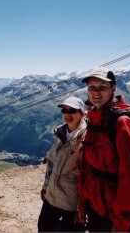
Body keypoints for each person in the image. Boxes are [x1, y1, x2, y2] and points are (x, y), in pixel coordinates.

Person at [77, 67, 130, 232]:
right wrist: (83, 203)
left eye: (102, 87)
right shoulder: (94, 120)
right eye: (91, 87)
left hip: (114, 214)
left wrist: (121, 223)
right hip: (95, 207)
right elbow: (87, 167)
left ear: (113, 88)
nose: (96, 92)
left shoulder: (122, 123)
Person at [38, 96, 87, 232]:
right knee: (43, 228)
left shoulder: (86, 138)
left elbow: (86, 174)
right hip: (51, 196)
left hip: (70, 201)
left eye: (72, 110)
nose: (67, 114)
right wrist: (45, 186)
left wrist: (81, 207)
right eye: (64, 110)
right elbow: (51, 163)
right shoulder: (60, 133)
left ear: (81, 113)